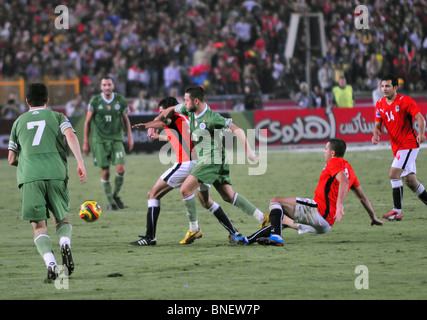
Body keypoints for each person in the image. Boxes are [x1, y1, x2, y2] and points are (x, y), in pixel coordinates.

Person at [155, 86, 269, 237]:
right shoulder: (189, 109)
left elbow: (238, 129)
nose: (184, 103)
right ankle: (263, 218)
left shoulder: (211, 117)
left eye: (187, 100)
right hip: (217, 159)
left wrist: (249, 154)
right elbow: (172, 108)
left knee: (185, 189)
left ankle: (194, 229)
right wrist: (156, 124)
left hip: (210, 160)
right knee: (228, 196)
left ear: (196, 101)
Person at [129, 97, 242, 245]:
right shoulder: (188, 117)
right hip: (202, 163)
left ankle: (150, 237)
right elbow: (180, 138)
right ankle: (234, 232)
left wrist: (147, 126)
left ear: (170, 110)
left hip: (186, 163)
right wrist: (159, 136)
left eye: (163, 111)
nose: (161, 114)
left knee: (153, 194)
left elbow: (163, 121)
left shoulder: (173, 116)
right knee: (206, 202)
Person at [230, 139, 384, 246]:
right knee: (281, 220)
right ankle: (247, 240)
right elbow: (362, 197)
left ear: (332, 152)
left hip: (319, 211)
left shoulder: (334, 162)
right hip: (326, 225)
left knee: (275, 201)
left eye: (326, 148)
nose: (324, 151)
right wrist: (373, 217)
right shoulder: (350, 169)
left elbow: (343, 180)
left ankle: (276, 237)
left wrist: (339, 205)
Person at [8, 83, 86, 281]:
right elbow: (70, 135)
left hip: (30, 178)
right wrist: (80, 162)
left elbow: (10, 158)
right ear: (47, 100)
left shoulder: (18, 122)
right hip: (56, 173)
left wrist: (28, 164)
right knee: (61, 220)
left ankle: (51, 262)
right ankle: (65, 243)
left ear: (27, 101)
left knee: (39, 227)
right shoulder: (57, 116)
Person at [372, 74, 427, 221]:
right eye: (382, 86)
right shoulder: (379, 104)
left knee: (393, 174)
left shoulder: (405, 101)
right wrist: (376, 134)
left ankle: (397, 211)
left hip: (408, 144)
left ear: (395, 87)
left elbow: (420, 119)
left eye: (388, 86)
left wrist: (421, 134)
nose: (384, 89)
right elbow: (378, 125)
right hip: (397, 147)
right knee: (410, 181)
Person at [83, 76, 134, 210]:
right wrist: (85, 142)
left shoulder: (120, 100)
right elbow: (87, 122)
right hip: (100, 140)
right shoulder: (95, 101)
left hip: (116, 139)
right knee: (105, 172)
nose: (107, 87)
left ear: (113, 86)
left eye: (109, 85)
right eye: (104, 85)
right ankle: (111, 202)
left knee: (120, 169)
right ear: (101, 87)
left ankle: (115, 195)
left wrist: (129, 136)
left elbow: (125, 119)